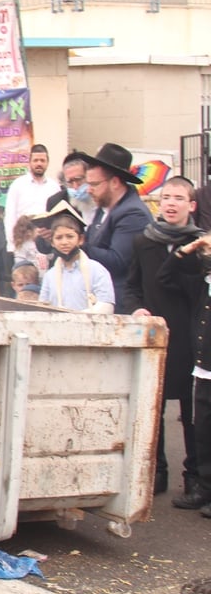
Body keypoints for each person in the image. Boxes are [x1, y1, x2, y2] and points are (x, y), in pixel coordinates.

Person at [121, 176, 202, 496]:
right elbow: (132, 286)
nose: (170, 203)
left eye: (179, 198)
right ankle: (158, 471)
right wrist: (137, 309)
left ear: (191, 206)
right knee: (154, 407)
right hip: (157, 334)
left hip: (191, 336)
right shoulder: (145, 241)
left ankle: (194, 474)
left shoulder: (200, 244)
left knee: (191, 411)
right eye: (166, 197)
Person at [158, 230, 211, 516]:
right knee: (202, 432)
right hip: (203, 371)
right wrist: (188, 248)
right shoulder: (200, 285)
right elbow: (165, 276)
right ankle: (204, 488)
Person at [79, 143, 151, 313]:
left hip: (119, 305)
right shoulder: (103, 207)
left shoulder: (133, 213)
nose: (89, 190)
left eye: (94, 184)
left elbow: (118, 261)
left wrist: (81, 246)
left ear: (115, 182)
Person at [37, 202, 115, 313]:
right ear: (52, 242)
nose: (64, 242)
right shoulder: (50, 276)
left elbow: (106, 307)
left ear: (80, 239)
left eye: (70, 236)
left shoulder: (96, 270)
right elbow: (43, 309)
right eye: (59, 238)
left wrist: (75, 317)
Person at [2, 144, 60, 255]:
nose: (39, 163)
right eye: (36, 160)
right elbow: (10, 216)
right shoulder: (18, 185)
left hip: (47, 242)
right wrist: (12, 245)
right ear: (30, 163)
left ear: (47, 163)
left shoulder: (54, 187)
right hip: (23, 242)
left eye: (42, 160)